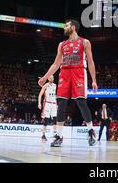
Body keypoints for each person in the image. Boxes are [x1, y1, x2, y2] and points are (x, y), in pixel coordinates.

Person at [38, 19, 98, 147]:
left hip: (79, 72)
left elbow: (91, 62)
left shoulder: (85, 42)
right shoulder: (62, 44)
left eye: (66, 26)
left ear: (74, 27)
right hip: (64, 73)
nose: (64, 28)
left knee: (81, 102)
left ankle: (91, 131)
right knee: (62, 104)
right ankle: (59, 136)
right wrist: (45, 77)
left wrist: (94, 80)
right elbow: (56, 64)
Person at [38, 75, 58, 142]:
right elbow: (40, 95)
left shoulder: (55, 85)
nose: (51, 78)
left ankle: (55, 134)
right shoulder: (45, 85)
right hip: (47, 104)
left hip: (54, 104)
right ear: (48, 78)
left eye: (52, 77)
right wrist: (39, 103)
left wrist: (56, 104)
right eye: (50, 77)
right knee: (46, 120)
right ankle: (43, 135)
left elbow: (55, 95)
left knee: (55, 119)